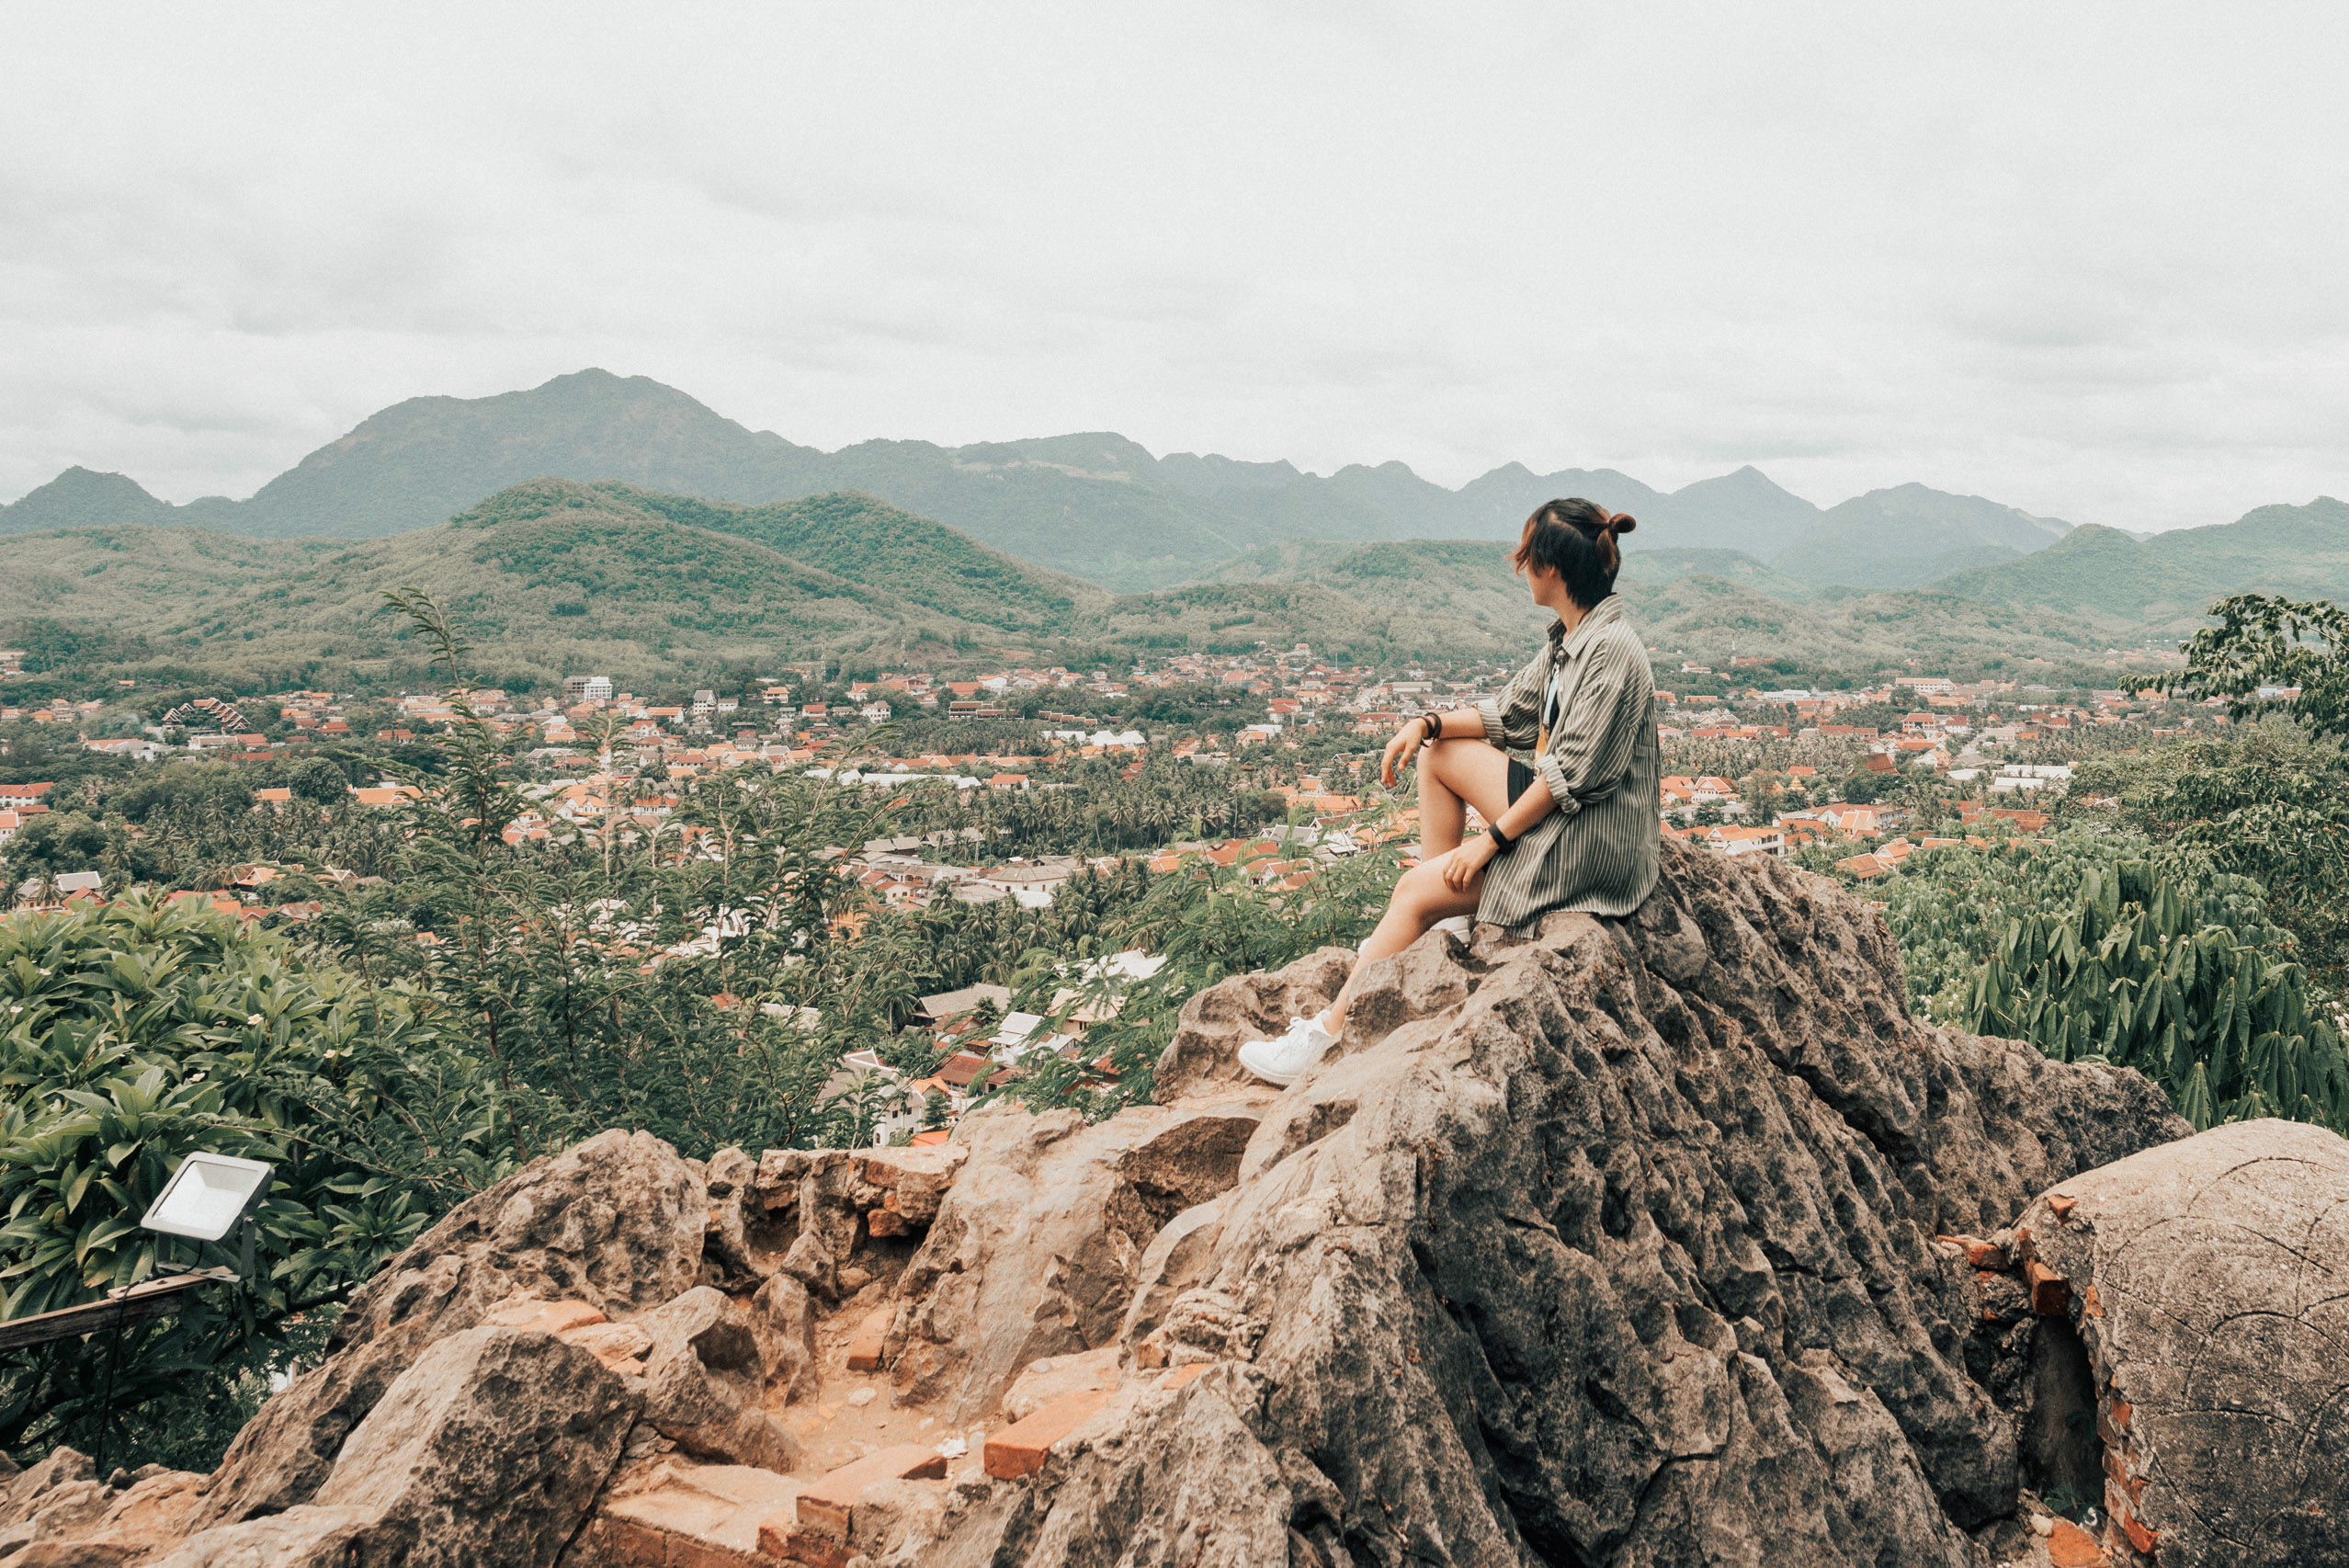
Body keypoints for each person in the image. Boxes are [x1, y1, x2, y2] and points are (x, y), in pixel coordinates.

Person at [1235, 497, 1663, 1085]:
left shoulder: (1611, 653)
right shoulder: (1574, 639)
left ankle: (1324, 1039)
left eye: (1527, 558)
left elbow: (1570, 776)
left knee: (1413, 889)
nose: (1521, 569)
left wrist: (1486, 843)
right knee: (1437, 756)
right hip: (1564, 810)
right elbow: (1509, 713)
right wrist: (1426, 724)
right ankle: (1447, 919)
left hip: (1589, 843)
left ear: (1553, 570)